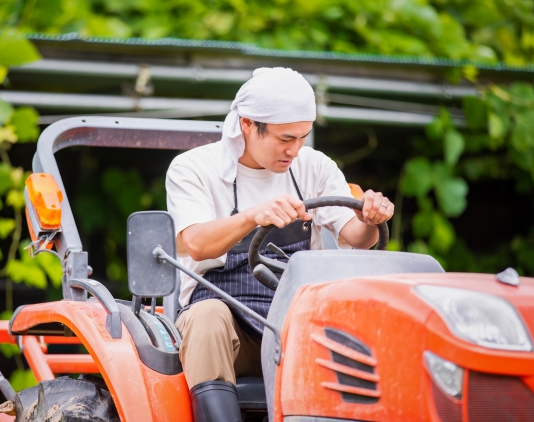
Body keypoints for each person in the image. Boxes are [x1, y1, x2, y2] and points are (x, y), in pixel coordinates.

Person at [165, 67, 394, 422]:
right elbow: (195, 243)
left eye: (303, 137)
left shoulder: (315, 167)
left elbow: (357, 238)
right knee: (206, 317)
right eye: (286, 139)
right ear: (247, 124)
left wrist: (369, 219)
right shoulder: (194, 168)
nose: (295, 150)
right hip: (229, 327)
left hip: (297, 320)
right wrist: (253, 216)